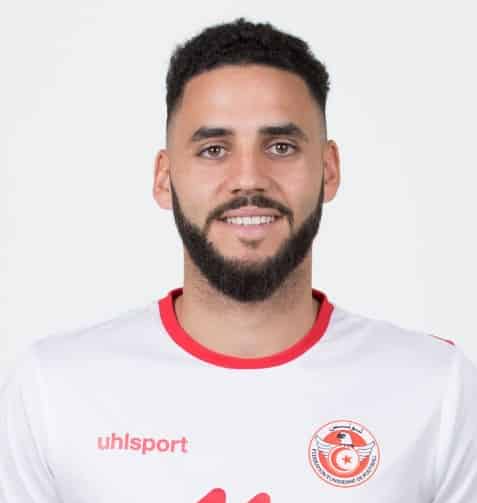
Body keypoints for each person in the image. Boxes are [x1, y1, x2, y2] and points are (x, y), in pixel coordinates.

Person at [1, 18, 476, 503]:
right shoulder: (51, 390)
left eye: (281, 147)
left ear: (328, 170)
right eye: (213, 150)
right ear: (165, 178)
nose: (249, 178)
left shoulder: (438, 388)